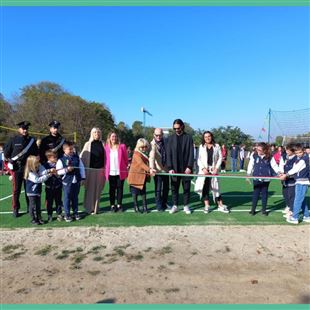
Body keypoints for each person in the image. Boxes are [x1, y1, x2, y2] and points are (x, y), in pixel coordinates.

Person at [3, 121, 39, 217]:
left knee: (29, 189)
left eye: (26, 128)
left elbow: (36, 154)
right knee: (16, 190)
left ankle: (30, 208)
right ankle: (15, 208)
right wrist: (9, 164)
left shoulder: (32, 140)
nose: (25, 130)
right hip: (17, 168)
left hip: (28, 168)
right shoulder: (13, 140)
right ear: (19, 129)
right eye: (23, 128)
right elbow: (6, 154)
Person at [195, 131, 229, 214]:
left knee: (216, 188)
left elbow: (220, 158)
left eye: (209, 136)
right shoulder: (201, 146)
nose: (207, 138)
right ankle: (207, 205)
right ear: (203, 138)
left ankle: (220, 205)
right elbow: (198, 159)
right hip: (204, 171)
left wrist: (216, 168)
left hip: (213, 171)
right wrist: (203, 169)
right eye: (205, 136)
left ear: (211, 136)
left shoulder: (217, 146)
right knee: (205, 188)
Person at [166, 119, 194, 215]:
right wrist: (170, 168)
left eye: (178, 128)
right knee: (174, 188)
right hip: (174, 168)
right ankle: (175, 205)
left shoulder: (189, 137)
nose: (176, 130)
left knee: (186, 188)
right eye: (174, 128)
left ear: (182, 126)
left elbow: (191, 153)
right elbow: (168, 154)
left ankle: (186, 205)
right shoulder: (170, 138)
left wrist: (189, 166)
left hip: (186, 168)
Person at [279, 144, 310, 224]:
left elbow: (295, 169)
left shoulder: (304, 159)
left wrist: (286, 175)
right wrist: (284, 174)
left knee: (297, 200)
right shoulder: (299, 159)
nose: (298, 154)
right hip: (299, 181)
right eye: (296, 153)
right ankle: (307, 216)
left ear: (303, 151)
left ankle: (294, 217)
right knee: (301, 200)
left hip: (302, 182)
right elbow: (294, 169)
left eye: (300, 152)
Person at [56, 141, 86, 222]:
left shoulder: (77, 158)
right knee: (67, 198)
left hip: (76, 180)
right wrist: (66, 170)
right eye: (70, 149)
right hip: (67, 182)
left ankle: (75, 213)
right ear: (64, 150)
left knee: (75, 198)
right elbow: (58, 171)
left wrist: (83, 178)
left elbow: (82, 168)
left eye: (72, 149)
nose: (72, 150)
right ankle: (67, 214)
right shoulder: (61, 160)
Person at [246, 142, 278, 216]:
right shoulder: (254, 155)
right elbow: (251, 164)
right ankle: (253, 210)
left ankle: (264, 210)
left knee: (264, 194)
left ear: (265, 150)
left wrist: (279, 172)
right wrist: (248, 174)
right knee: (255, 193)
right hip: (256, 178)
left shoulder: (269, 157)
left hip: (266, 178)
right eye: (257, 149)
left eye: (260, 150)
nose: (258, 151)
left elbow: (274, 165)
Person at [80, 128, 105, 215]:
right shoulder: (88, 144)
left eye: (98, 132)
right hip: (90, 170)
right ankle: (88, 208)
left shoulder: (103, 144)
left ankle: (96, 208)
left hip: (100, 170)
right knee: (90, 190)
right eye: (95, 132)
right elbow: (82, 157)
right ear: (92, 134)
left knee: (98, 190)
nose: (97, 134)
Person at [24, 155, 54, 225]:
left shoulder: (37, 167)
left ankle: (39, 217)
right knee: (32, 206)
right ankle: (33, 219)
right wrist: (48, 175)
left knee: (38, 206)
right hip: (31, 192)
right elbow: (37, 180)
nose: (38, 164)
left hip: (38, 191)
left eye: (38, 162)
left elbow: (42, 172)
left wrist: (50, 170)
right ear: (31, 164)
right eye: (36, 163)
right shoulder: (29, 172)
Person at [127, 138, 155, 213]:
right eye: (142, 147)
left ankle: (145, 206)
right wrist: (150, 170)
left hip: (143, 176)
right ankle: (136, 207)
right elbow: (141, 164)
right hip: (135, 176)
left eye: (145, 147)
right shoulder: (136, 153)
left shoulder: (146, 153)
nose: (144, 148)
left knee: (143, 192)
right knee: (134, 193)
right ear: (138, 146)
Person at [104, 131, 128, 212]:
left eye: (115, 136)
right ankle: (112, 205)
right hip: (111, 172)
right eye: (112, 136)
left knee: (120, 188)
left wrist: (126, 167)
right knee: (112, 189)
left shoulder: (122, 146)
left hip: (120, 172)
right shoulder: (106, 147)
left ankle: (119, 205)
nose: (114, 138)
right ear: (109, 138)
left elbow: (125, 159)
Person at [149, 128, 169, 212]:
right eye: (156, 135)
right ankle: (158, 204)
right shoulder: (152, 144)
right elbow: (152, 157)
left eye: (160, 135)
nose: (158, 137)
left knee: (166, 188)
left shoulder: (166, 141)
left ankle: (164, 203)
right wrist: (152, 168)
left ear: (162, 134)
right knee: (158, 188)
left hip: (166, 169)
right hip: (157, 170)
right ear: (154, 135)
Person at [42, 150, 64, 222]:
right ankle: (49, 215)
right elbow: (43, 175)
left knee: (58, 201)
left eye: (56, 157)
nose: (56, 159)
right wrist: (50, 172)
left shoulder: (59, 164)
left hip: (58, 186)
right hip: (49, 187)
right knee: (49, 202)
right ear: (49, 158)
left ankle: (59, 214)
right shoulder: (45, 165)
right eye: (54, 157)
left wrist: (57, 174)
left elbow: (61, 175)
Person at [277, 144, 296, 219]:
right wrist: (280, 172)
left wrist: (286, 175)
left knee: (291, 195)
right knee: (285, 193)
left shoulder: (296, 158)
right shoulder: (284, 156)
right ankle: (288, 206)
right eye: (286, 149)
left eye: (288, 150)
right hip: (284, 179)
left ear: (292, 150)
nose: (286, 151)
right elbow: (281, 165)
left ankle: (292, 211)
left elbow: (294, 169)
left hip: (292, 179)